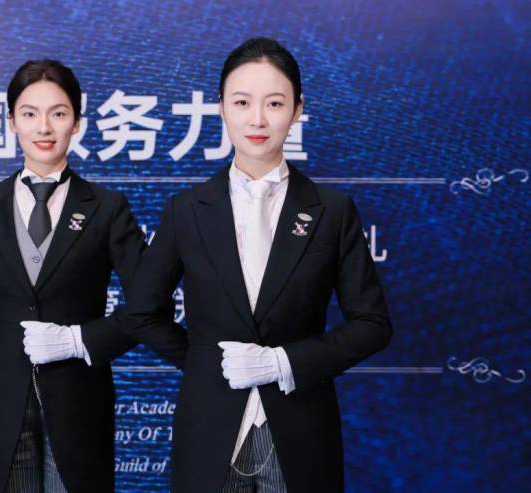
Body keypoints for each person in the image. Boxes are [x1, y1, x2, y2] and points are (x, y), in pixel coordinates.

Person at [123, 37, 393, 492]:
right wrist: (206, 364)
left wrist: (282, 362)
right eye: (242, 102)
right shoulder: (187, 210)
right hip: (209, 429)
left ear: (298, 110)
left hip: (302, 428)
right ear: (221, 108)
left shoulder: (332, 211)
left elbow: (373, 324)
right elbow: (141, 313)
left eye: (275, 103)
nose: (257, 119)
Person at [0, 59, 147, 493]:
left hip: (79, 397)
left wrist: (77, 341)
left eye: (58, 113)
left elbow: (148, 305)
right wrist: (8, 335)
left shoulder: (107, 208)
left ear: (77, 122)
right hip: (1, 397)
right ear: (12, 121)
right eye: (29, 114)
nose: (44, 127)